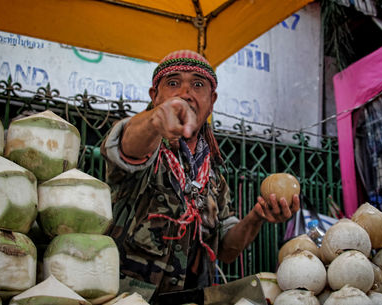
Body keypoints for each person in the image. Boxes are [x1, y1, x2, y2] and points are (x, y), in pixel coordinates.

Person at [101, 50, 300, 302]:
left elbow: (226, 251)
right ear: (155, 95)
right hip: (126, 300)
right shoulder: (146, 140)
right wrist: (154, 121)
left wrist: (256, 217)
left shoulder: (213, 174)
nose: (185, 93)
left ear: (212, 99)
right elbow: (126, 148)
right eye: (173, 83)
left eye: (198, 84)